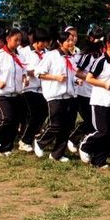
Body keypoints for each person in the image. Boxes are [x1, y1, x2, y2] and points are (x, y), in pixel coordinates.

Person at [78, 32, 110, 168]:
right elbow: (89, 78)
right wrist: (104, 84)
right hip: (100, 101)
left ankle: (99, 161)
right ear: (108, 44)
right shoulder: (101, 61)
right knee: (102, 131)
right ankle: (85, 145)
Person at [33, 30, 79, 162]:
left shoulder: (71, 57)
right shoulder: (51, 56)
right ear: (60, 42)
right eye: (68, 40)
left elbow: (72, 74)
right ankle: (40, 142)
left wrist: (76, 80)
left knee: (67, 126)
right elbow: (39, 73)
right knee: (56, 124)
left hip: (69, 96)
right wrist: (55, 77)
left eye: (72, 40)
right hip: (55, 95)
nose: (71, 43)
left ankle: (57, 154)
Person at [0, 28, 26, 156]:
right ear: (8, 39)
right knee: (6, 118)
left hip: (15, 93)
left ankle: (5, 149)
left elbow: (23, 70)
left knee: (14, 122)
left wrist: (24, 78)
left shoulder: (19, 56)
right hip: (1, 93)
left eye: (19, 40)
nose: (18, 42)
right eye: (15, 40)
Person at [19, 28, 50, 152]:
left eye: (46, 42)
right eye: (43, 42)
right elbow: (22, 68)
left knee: (43, 113)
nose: (44, 45)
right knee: (34, 114)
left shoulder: (47, 53)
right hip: (29, 88)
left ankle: (30, 137)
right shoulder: (25, 52)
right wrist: (33, 73)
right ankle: (25, 140)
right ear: (36, 41)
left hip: (43, 89)